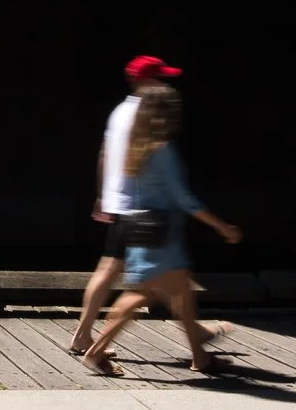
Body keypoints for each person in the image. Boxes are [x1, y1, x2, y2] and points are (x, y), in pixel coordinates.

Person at [82, 81, 242, 377]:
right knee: (141, 297)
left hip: (141, 231)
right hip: (163, 236)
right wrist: (222, 227)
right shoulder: (163, 151)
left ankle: (200, 358)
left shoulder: (136, 148)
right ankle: (95, 350)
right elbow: (185, 200)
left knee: (176, 295)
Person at [69, 55, 177, 355]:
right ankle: (196, 333)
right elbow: (149, 158)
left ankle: (82, 335)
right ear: (147, 80)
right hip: (141, 204)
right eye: (160, 77)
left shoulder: (119, 111)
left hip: (121, 201)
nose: (163, 82)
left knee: (110, 270)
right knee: (162, 273)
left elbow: (104, 154)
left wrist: (104, 195)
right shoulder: (145, 112)